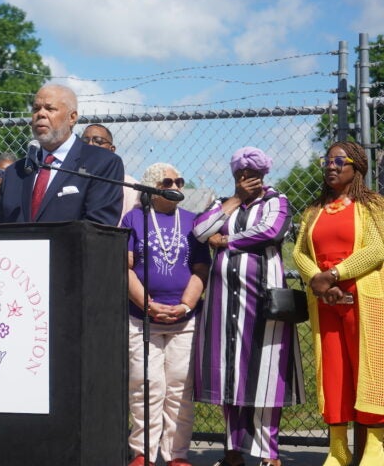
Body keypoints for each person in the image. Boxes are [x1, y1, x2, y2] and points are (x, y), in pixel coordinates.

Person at [192, 147, 304, 466]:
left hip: (264, 300)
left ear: (263, 174)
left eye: (251, 173)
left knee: (265, 370)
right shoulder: (223, 204)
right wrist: (235, 200)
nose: (245, 178)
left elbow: (271, 231)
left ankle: (269, 454)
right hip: (224, 303)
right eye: (240, 174)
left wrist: (227, 240)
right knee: (232, 371)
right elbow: (200, 231)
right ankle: (232, 451)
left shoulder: (276, 201)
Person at [293, 141, 384, 466]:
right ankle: (338, 448)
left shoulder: (372, 206)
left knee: (370, 368)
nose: (331, 166)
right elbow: (299, 251)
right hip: (326, 302)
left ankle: (375, 446)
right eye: (327, 161)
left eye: (339, 161)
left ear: (356, 167)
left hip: (365, 300)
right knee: (333, 370)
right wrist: (317, 280)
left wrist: (333, 274)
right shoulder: (313, 210)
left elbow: (375, 250)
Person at [122, 163, 210, 466]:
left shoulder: (192, 221)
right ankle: (142, 453)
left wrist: (186, 305)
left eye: (180, 181)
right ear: (150, 189)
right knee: (146, 384)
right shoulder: (134, 219)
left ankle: (177, 455)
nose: (176, 186)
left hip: (183, 321)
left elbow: (200, 269)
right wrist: (148, 305)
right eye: (167, 181)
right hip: (142, 317)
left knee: (179, 388)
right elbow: (126, 268)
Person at [0, 85, 124, 225]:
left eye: (50, 109)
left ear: (72, 117)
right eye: (36, 109)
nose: (40, 114)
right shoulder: (15, 173)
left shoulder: (102, 163)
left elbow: (98, 228)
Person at [81, 123, 139, 219]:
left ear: (112, 149)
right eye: (85, 141)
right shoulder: (70, 175)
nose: (90, 144)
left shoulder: (131, 186)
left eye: (98, 141)